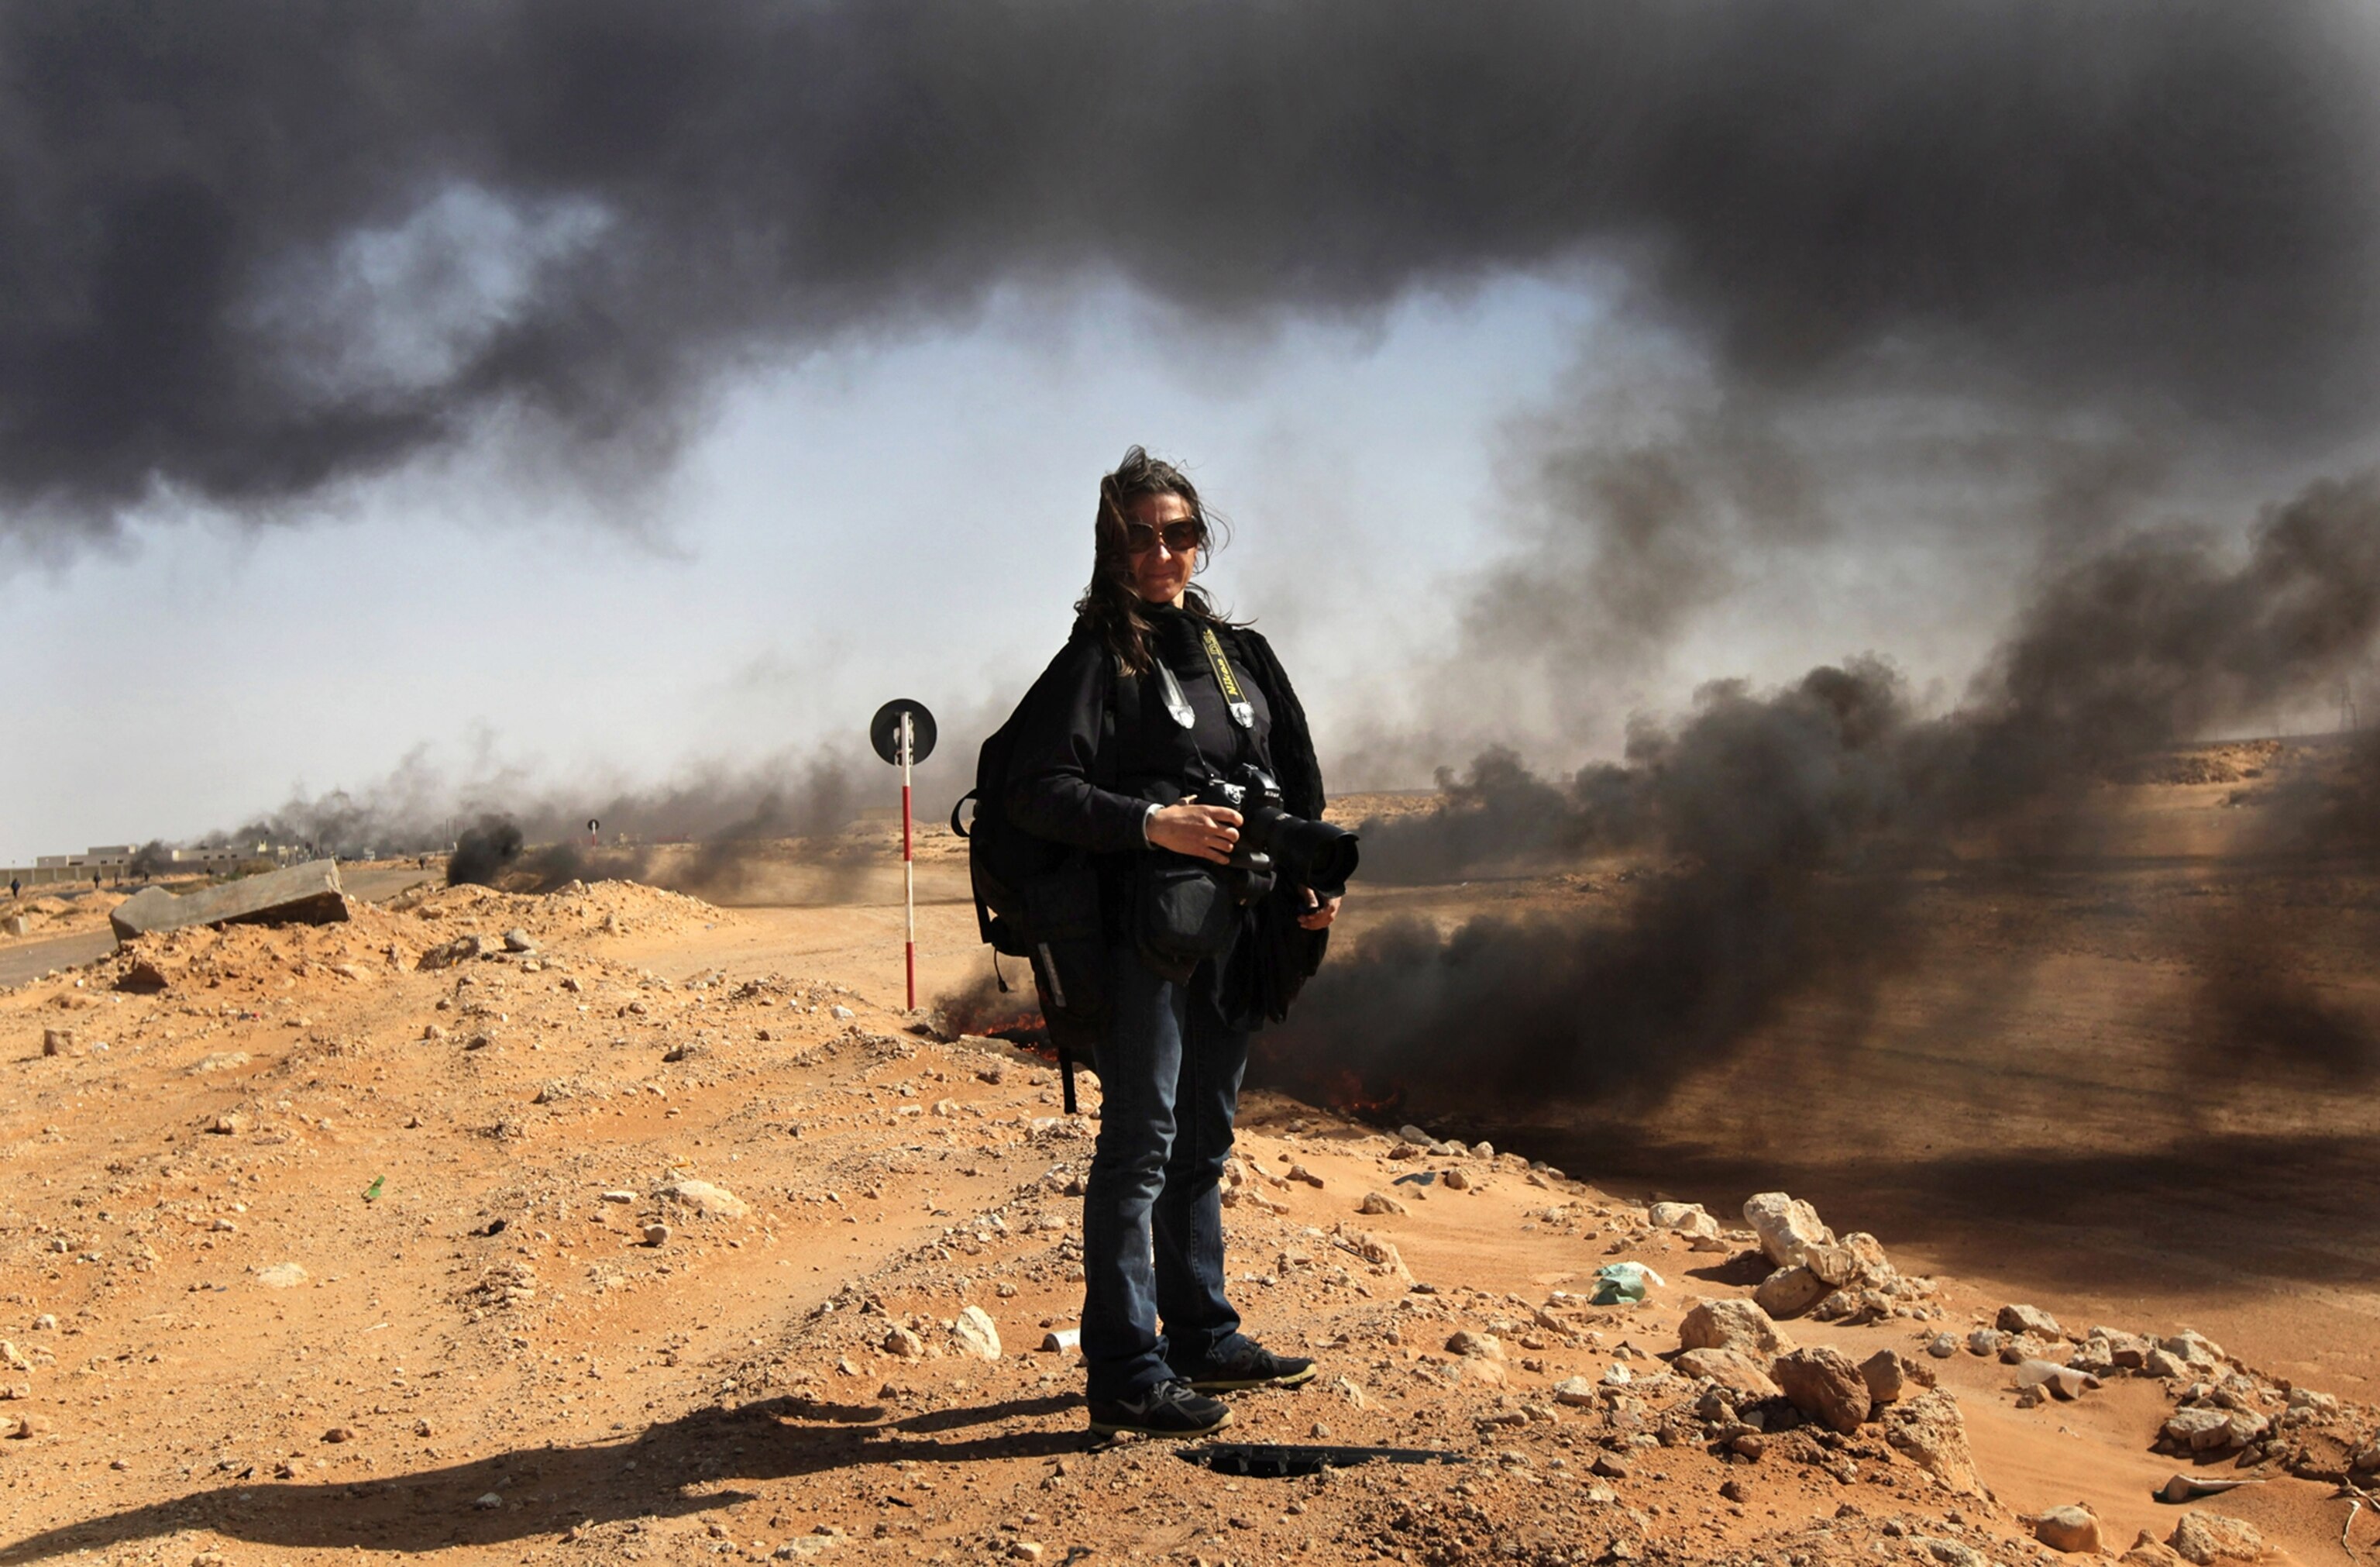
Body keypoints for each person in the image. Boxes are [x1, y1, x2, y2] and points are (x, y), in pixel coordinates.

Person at [1007, 446, 1343, 1438]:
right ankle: (1125, 1368)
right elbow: (1035, 789)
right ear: (1112, 548)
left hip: (1234, 930)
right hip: (1139, 942)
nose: (1164, 552)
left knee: (1205, 1141)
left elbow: (1292, 782)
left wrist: (1306, 884)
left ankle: (1201, 1332)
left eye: (1180, 534)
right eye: (1141, 536)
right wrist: (1153, 826)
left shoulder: (1239, 655)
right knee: (1142, 1146)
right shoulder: (1097, 659)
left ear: (1204, 542)